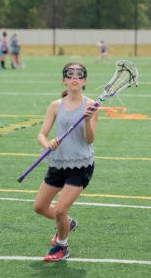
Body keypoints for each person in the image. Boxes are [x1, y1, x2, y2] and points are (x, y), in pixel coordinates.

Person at [33, 62, 99, 262]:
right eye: (70, 75)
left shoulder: (91, 105)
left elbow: (89, 139)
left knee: (60, 210)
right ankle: (67, 224)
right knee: (40, 207)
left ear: (85, 81)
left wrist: (87, 120)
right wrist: (48, 144)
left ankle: (62, 246)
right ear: (64, 80)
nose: (75, 78)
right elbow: (42, 135)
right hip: (58, 163)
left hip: (80, 165)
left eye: (80, 75)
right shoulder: (55, 105)